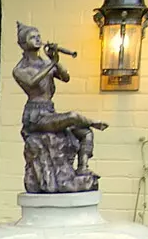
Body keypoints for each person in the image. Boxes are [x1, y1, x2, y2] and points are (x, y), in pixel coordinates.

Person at [12, 22, 108, 177]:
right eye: (32, 37)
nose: (37, 39)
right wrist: (52, 64)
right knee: (73, 116)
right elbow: (32, 82)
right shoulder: (19, 69)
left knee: (85, 133)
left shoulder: (45, 63)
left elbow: (65, 77)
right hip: (36, 117)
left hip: (49, 111)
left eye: (38, 36)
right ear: (23, 44)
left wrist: (54, 61)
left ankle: (82, 167)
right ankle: (93, 121)